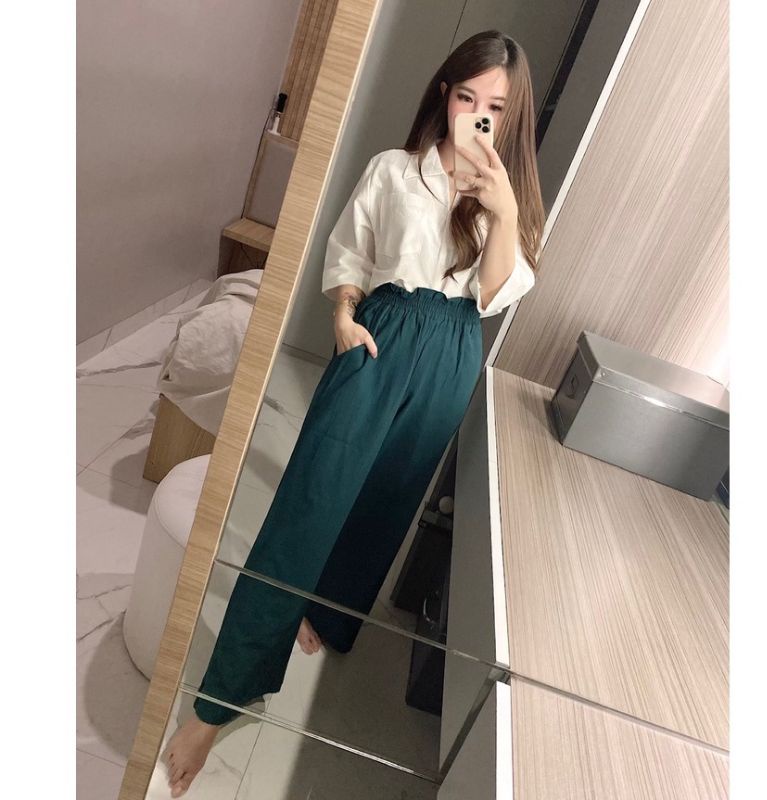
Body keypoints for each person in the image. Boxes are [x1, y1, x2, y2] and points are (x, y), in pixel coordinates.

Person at [164, 29, 544, 797]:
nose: (476, 115)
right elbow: (349, 250)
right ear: (444, 94)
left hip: (453, 349)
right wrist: (343, 313)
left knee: (386, 503)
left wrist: (504, 214)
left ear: (512, 117)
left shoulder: (507, 197)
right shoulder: (394, 170)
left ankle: (331, 615)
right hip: (383, 331)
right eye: (465, 96)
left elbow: (494, 296)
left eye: (495, 106)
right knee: (306, 508)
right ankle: (220, 699)